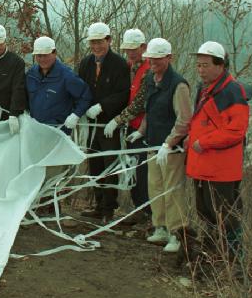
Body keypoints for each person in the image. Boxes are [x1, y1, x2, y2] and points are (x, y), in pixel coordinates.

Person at [119, 38, 193, 253]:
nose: (153, 63)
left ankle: (176, 233)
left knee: (172, 191)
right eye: (150, 59)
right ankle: (159, 226)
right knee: (156, 188)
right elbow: (150, 111)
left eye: (158, 59)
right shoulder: (151, 79)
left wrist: (169, 144)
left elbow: (184, 120)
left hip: (171, 150)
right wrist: (140, 132)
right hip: (152, 144)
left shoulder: (178, 85)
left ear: (169, 58)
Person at [186, 41, 250, 262]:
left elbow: (236, 131)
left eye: (205, 65)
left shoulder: (232, 92)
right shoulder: (206, 89)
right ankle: (212, 255)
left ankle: (234, 261)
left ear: (220, 65)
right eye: (199, 65)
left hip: (221, 168)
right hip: (204, 165)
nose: (201, 70)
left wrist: (204, 142)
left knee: (226, 216)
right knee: (206, 212)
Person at [77, 22, 131, 222]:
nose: (96, 46)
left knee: (111, 164)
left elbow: (124, 93)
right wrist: (80, 111)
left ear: (109, 40)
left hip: (110, 124)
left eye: (100, 42)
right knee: (95, 163)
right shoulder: (86, 63)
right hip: (91, 124)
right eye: (93, 42)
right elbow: (81, 88)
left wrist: (103, 106)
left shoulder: (119, 64)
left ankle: (109, 207)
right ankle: (98, 204)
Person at [104, 28, 151, 226]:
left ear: (144, 47)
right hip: (132, 128)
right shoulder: (130, 67)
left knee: (142, 172)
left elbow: (140, 102)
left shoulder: (149, 70)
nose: (131, 53)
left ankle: (148, 213)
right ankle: (139, 209)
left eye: (134, 49)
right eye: (128, 50)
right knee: (132, 170)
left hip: (145, 128)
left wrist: (118, 119)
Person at [25, 36, 91, 132]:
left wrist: (76, 115)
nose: (42, 59)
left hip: (58, 131)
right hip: (35, 129)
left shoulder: (67, 76)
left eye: (46, 55)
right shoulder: (31, 74)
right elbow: (23, 95)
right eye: (39, 55)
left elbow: (86, 96)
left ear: (54, 53)